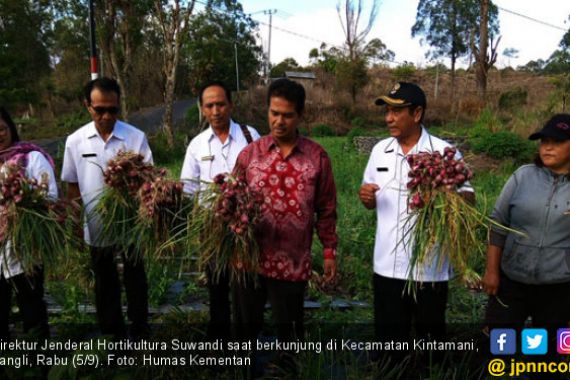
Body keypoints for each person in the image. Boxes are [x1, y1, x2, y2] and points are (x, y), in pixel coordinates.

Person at [358, 82, 474, 362]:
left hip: (429, 266)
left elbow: (468, 199)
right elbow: (368, 194)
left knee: (430, 344)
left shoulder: (443, 152)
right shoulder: (380, 151)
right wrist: (366, 197)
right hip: (387, 264)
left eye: (397, 112)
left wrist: (448, 195)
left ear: (417, 113)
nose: (388, 118)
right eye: (387, 111)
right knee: (388, 343)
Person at [233, 78, 337, 370]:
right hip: (249, 258)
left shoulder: (317, 157)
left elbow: (327, 208)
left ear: (300, 115)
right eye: (274, 113)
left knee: (289, 331)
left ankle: (285, 369)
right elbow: (231, 201)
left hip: (292, 261)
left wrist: (330, 250)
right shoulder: (250, 155)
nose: (279, 121)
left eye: (287, 115)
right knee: (244, 328)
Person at [61, 77, 152, 339]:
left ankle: (140, 330)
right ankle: (112, 335)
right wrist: (76, 227)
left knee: (136, 279)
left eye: (112, 109)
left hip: (131, 225)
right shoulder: (75, 141)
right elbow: (73, 188)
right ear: (87, 106)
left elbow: (150, 181)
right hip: (96, 227)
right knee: (105, 283)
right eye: (99, 110)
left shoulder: (135, 137)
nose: (106, 116)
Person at [180, 80, 260, 342]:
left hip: (245, 225)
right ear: (203, 109)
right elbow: (188, 189)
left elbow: (263, 179)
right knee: (217, 285)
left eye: (221, 104)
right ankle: (220, 344)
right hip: (211, 227)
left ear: (231, 105)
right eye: (210, 105)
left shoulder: (251, 137)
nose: (216, 111)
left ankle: (245, 342)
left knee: (246, 286)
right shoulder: (197, 145)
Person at [482, 114, 570, 337]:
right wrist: (492, 271)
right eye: (544, 142)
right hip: (511, 281)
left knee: (548, 355)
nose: (548, 148)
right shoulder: (523, 176)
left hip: (558, 287)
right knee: (500, 347)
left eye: (557, 142)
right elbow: (498, 224)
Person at [0, 106, 57, 341]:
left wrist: (21, 207)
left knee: (31, 305)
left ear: (11, 128)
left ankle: (38, 360)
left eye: (2, 128)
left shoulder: (31, 157)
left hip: (26, 247)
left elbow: (50, 196)